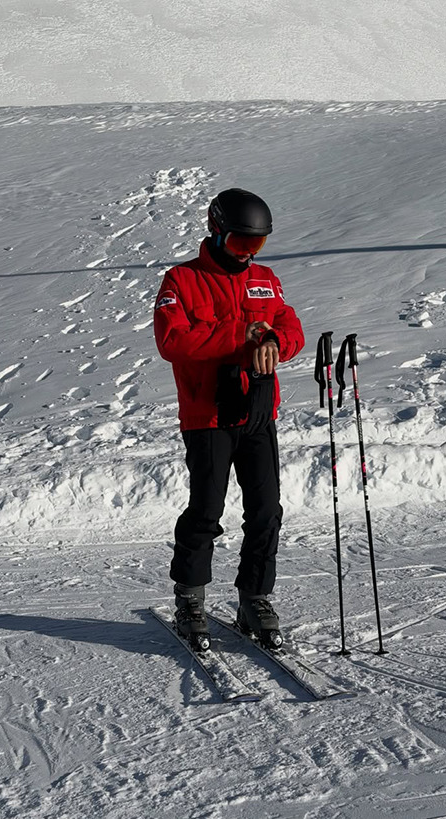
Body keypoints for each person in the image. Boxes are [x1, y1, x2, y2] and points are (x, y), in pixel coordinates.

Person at [153, 188, 305, 651]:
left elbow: (292, 328)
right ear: (216, 233)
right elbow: (173, 341)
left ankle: (254, 597)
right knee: (206, 510)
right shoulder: (181, 280)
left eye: (255, 246)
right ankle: (190, 598)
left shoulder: (266, 279)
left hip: (258, 411)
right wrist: (240, 335)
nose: (248, 255)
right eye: (240, 245)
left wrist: (275, 342)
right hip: (208, 414)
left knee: (266, 512)